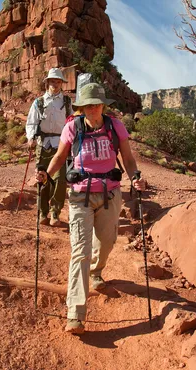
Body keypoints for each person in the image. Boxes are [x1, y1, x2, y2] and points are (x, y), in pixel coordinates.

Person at [36, 83, 146, 334]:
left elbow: (128, 158)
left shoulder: (115, 126)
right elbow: (60, 157)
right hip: (79, 197)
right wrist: (46, 175)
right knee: (80, 252)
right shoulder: (72, 127)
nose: (93, 108)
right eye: (88, 104)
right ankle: (75, 314)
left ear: (103, 105)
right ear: (81, 107)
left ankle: (96, 272)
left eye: (97, 103)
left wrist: (136, 177)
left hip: (110, 193)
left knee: (106, 242)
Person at [26, 68, 73, 226]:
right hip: (43, 144)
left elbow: (71, 121)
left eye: (58, 81)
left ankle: (55, 213)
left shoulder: (66, 102)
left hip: (61, 144)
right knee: (42, 178)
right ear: (47, 82)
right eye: (53, 81)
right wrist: (31, 137)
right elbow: (31, 122)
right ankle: (43, 212)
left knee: (60, 180)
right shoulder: (39, 102)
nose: (55, 84)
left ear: (62, 83)